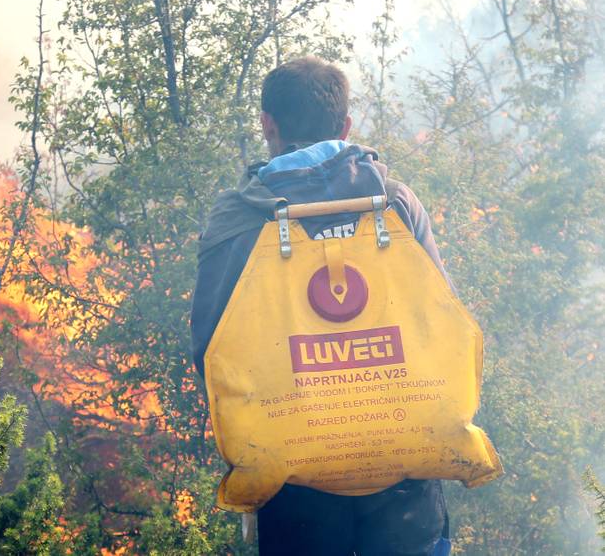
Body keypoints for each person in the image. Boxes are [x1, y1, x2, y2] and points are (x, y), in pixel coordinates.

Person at [190, 57, 452, 555]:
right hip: (401, 469)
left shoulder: (240, 218)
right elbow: (443, 323)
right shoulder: (395, 204)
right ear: (347, 126)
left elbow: (208, 349)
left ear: (268, 124)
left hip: (293, 474)